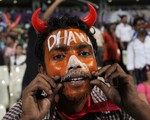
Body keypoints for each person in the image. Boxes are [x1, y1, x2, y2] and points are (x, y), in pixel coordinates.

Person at [3, 4, 150, 120]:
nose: (75, 63)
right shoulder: (26, 111)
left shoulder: (119, 104)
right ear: (43, 71)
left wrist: (137, 107)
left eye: (84, 53)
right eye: (59, 57)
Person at [127, 17, 150, 84]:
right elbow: (130, 61)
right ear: (135, 27)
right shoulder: (132, 42)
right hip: (140, 72)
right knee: (142, 93)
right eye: (139, 25)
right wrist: (131, 78)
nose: (141, 26)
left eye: (143, 24)